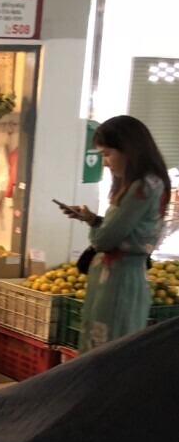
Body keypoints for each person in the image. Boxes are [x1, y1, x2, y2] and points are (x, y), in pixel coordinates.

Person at [59, 115, 171, 353]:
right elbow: (124, 230)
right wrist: (91, 218)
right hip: (122, 277)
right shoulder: (149, 183)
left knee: (105, 354)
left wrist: (95, 228)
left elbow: (104, 239)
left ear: (129, 150)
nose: (105, 163)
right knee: (114, 353)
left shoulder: (141, 187)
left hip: (117, 282)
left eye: (107, 154)